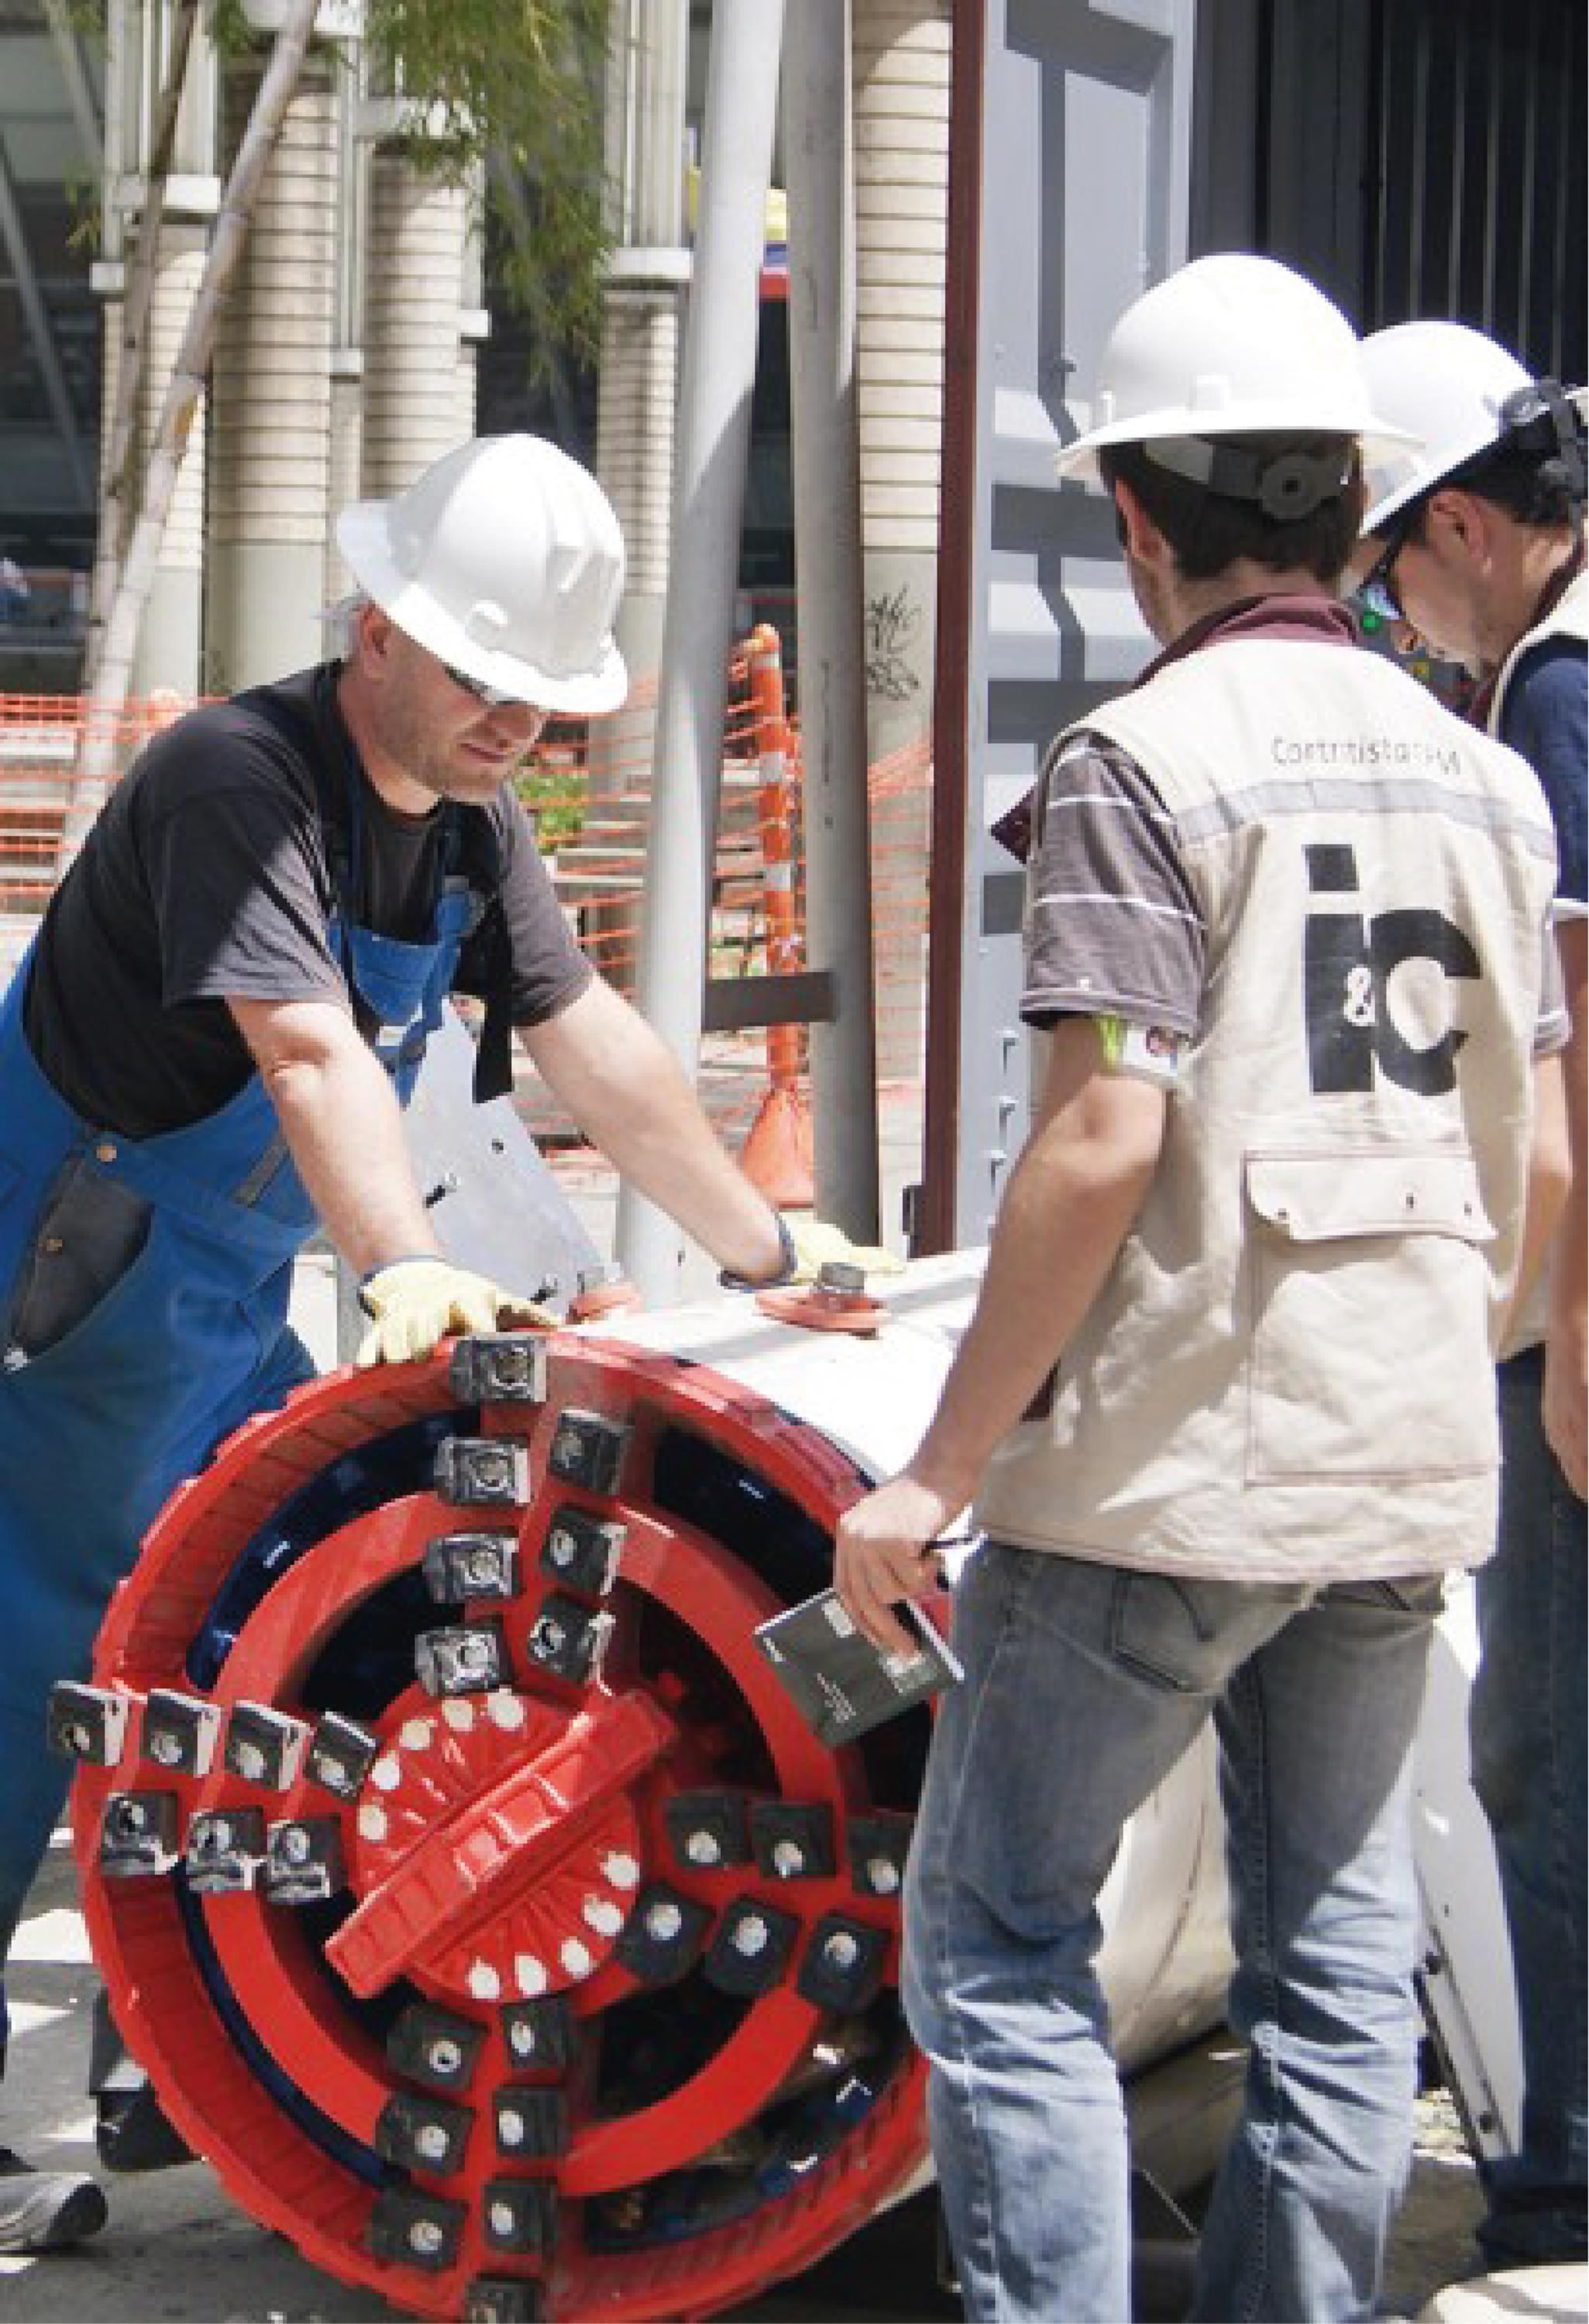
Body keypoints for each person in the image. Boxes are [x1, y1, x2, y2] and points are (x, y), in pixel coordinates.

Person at [0, 432, 866, 2253]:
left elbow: (593, 1039)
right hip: (64, 1277)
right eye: (487, 680)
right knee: (40, 1671)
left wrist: (769, 1245)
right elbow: (309, 1050)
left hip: (210, 1294)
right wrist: (399, 1260)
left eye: (546, 703)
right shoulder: (246, 776)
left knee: (238, 1656)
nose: (515, 729)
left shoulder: (471, 827)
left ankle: (176, 2044)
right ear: (378, 626)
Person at [834, 256, 1569, 2323]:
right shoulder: (1486, 784)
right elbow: (1534, 1139)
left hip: (1168, 1466)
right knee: (1333, 1969)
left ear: (1136, 520)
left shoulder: (1138, 764)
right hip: (1401, 1443)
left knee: (991, 1929)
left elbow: (1097, 1139)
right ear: (1351, 508)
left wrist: (933, 1469)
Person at [1353, 322, 1587, 2272]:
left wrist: (1568, 1336)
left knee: (1547, 1744)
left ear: (1455, 525)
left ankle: (1567, 2172)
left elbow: (1582, 1082)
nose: (1387, 612)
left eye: (1380, 567)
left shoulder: (1562, 698)